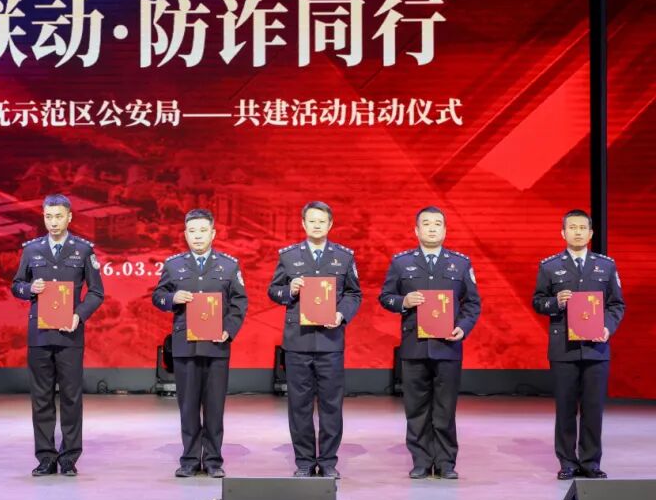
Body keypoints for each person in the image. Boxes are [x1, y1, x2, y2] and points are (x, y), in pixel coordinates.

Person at [378, 206, 480, 479]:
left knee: (445, 408)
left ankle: (446, 462)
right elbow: (385, 297)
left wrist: (462, 328)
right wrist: (404, 301)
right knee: (416, 408)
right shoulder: (401, 262)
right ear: (416, 230)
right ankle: (421, 460)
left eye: (437, 224)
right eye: (426, 223)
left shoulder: (460, 263)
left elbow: (472, 303)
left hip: (448, 346)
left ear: (445, 230)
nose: (432, 228)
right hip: (414, 346)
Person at [11, 194, 104, 476]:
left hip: (70, 335)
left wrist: (79, 315)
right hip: (39, 335)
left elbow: (96, 292)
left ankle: (69, 458)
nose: (53, 222)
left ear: (69, 217)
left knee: (71, 399)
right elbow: (16, 285)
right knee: (41, 398)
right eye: (48, 217)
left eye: (59, 216)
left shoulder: (83, 250)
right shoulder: (31, 249)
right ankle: (45, 457)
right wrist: (29, 289)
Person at [267, 201, 361, 478]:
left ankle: (329, 461)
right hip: (298, 342)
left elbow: (354, 294)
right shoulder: (289, 256)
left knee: (331, 404)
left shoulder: (344, 257)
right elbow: (273, 291)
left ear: (330, 224)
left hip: (331, 341)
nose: (317, 225)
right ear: (303, 224)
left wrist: (341, 314)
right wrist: (290, 290)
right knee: (299, 405)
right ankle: (305, 462)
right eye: (312, 221)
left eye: (322, 221)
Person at [152, 209, 247, 478]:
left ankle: (214, 460)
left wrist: (228, 330)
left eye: (203, 231)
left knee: (215, 407)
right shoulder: (173, 265)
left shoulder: (229, 265)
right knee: (188, 406)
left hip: (216, 346)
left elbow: (239, 303)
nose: (197, 236)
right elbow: (158, 296)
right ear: (185, 234)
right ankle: (190, 459)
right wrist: (172, 299)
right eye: (192, 231)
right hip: (185, 347)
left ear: (213, 233)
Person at [532, 209, 625, 480]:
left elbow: (617, 304)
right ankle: (567, 462)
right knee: (565, 407)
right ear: (563, 233)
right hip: (564, 349)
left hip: (596, 348)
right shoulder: (550, 266)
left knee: (593, 407)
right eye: (572, 228)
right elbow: (538, 302)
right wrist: (555, 302)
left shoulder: (606, 266)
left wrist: (607, 328)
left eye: (582, 228)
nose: (577, 232)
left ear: (591, 233)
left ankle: (590, 462)